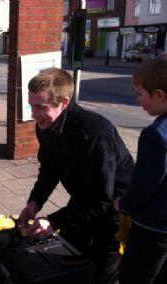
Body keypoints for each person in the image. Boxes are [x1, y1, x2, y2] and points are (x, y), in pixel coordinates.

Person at [18, 67, 135, 284]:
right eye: (31, 105)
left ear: (64, 102)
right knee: (71, 252)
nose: (33, 114)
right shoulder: (45, 126)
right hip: (85, 195)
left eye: (40, 107)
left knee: (104, 264)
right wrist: (35, 202)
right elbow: (49, 170)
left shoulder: (94, 133)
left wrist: (53, 221)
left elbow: (101, 197)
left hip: (116, 202)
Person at [114, 54, 167, 284]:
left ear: (159, 95)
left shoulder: (156, 135)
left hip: (152, 227)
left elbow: (144, 184)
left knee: (135, 275)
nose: (137, 100)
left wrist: (123, 204)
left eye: (139, 94)